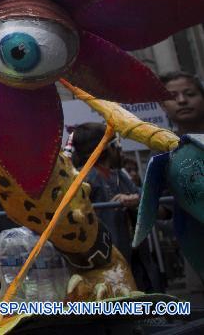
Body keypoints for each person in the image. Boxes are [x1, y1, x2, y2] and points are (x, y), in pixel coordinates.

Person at [70, 123, 160, 291]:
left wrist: (136, 199)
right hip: (105, 262)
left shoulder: (118, 176)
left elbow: (148, 199)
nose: (120, 150)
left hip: (134, 254)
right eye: (117, 144)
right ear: (109, 147)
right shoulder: (84, 179)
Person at [160, 71, 204, 135]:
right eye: (172, 96)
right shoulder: (167, 144)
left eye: (190, 94)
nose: (182, 100)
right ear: (163, 106)